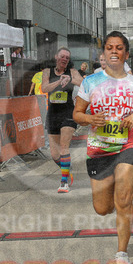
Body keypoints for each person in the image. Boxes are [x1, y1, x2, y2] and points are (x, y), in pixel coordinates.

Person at [73, 31, 133, 264]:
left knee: (124, 199)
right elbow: (77, 114)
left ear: (126, 54)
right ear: (104, 53)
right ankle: (114, 207)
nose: (114, 51)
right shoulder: (90, 82)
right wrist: (90, 118)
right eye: (109, 47)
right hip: (99, 149)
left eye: (119, 48)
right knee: (102, 208)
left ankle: (122, 255)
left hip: (129, 146)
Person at [41, 47, 84, 193]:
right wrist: (59, 81)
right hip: (53, 114)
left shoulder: (72, 72)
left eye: (67, 57)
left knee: (64, 147)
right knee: (54, 155)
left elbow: (83, 83)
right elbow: (44, 88)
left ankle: (64, 182)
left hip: (68, 113)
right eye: (62, 56)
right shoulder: (47, 72)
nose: (65, 59)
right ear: (56, 57)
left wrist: (70, 79)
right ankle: (66, 169)